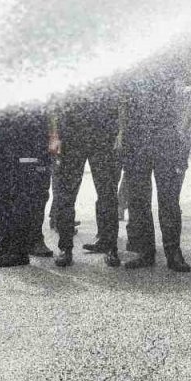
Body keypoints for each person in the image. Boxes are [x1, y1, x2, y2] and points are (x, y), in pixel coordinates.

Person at [120, 56, 191, 272]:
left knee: (169, 200)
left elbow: (189, 94)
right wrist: (123, 135)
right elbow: (123, 103)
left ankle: (173, 252)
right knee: (139, 200)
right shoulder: (131, 68)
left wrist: (183, 132)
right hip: (136, 141)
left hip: (166, 141)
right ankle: (145, 251)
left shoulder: (173, 63)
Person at [51, 81, 122, 267]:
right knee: (66, 195)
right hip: (72, 134)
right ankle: (65, 248)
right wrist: (55, 135)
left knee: (108, 194)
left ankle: (110, 246)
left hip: (103, 135)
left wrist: (118, 132)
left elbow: (118, 97)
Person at [0, 105, 58, 268]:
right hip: (2, 129)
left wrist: (54, 135)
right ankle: (5, 245)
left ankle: (18, 251)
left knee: (22, 193)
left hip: (29, 132)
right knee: (1, 192)